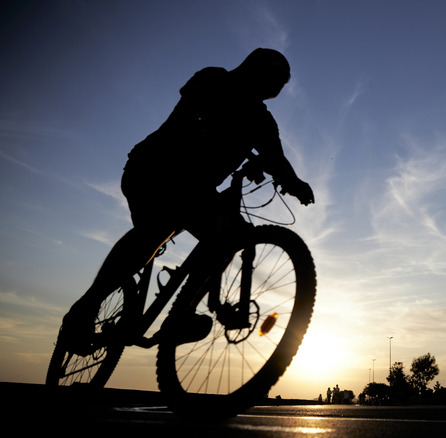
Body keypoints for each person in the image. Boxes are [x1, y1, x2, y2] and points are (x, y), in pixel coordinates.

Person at [63, 48, 314, 346]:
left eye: (280, 84)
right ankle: (85, 309)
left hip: (196, 192)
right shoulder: (214, 78)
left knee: (234, 234)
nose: (275, 88)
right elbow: (193, 109)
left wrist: (293, 182)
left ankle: (182, 313)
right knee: (155, 229)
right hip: (153, 169)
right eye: (273, 80)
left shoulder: (261, 120)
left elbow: (276, 158)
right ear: (252, 69)